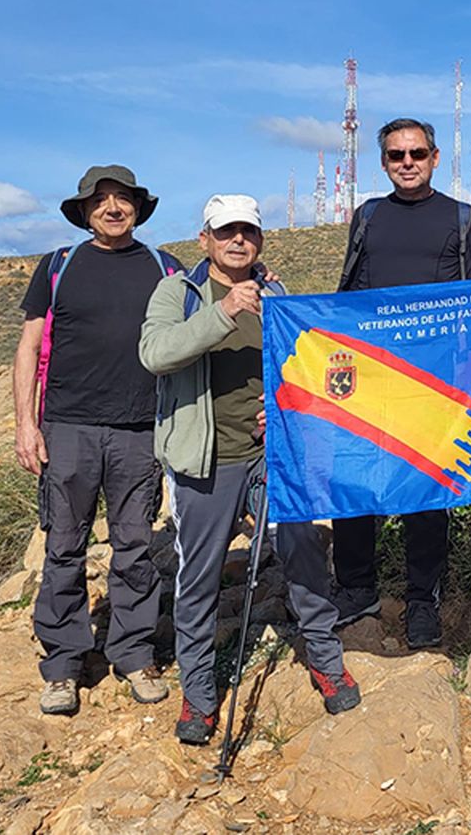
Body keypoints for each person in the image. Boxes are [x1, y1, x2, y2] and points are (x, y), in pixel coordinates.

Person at [139, 195, 360, 744]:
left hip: (271, 453)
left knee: (303, 546)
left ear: (260, 239)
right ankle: (199, 692)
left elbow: (303, 364)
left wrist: (283, 402)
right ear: (205, 239)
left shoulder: (278, 293)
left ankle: (327, 664)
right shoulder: (180, 292)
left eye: (248, 231)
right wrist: (225, 310)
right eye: (226, 231)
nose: (238, 240)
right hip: (205, 460)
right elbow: (156, 353)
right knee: (199, 575)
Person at [12, 165, 178, 716]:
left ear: (137, 208)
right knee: (64, 545)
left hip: (139, 430)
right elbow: (30, 347)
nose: (112, 207)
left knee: (134, 547)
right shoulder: (59, 267)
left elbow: (209, 305)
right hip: (68, 427)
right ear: (84, 212)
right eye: (100, 200)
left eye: (122, 199)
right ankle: (63, 664)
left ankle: (133, 654)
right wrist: (25, 424)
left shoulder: (164, 267)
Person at [331, 117, 471, 648]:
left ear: (436, 157)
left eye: (417, 153)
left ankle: (424, 601)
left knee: (425, 494)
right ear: (384, 163)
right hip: (371, 376)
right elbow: (350, 291)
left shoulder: (461, 218)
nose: (408, 163)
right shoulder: (368, 216)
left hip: (432, 381)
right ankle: (355, 591)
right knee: (355, 483)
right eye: (397, 155)